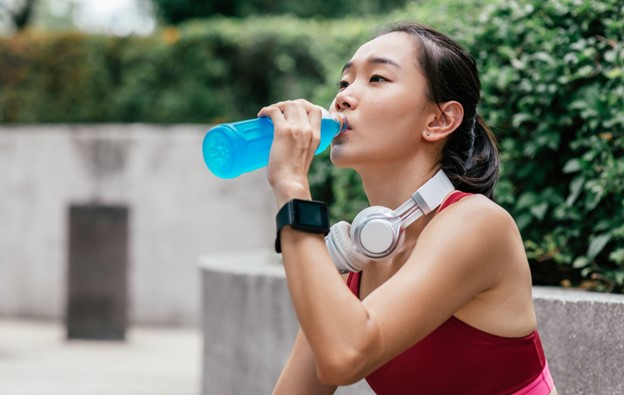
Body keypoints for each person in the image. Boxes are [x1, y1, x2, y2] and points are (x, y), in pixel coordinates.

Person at [258, 21, 557, 395]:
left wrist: (291, 185)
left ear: (439, 120)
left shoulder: (477, 223)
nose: (344, 98)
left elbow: (344, 356)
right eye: (345, 82)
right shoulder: (357, 253)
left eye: (378, 78)